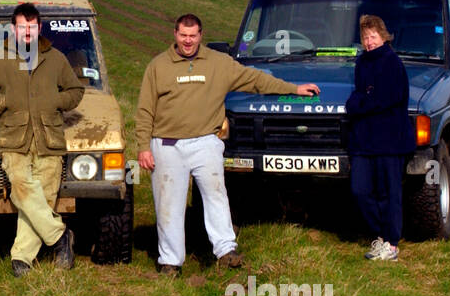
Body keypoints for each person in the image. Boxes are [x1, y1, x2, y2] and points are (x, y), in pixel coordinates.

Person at [136, 14, 320, 277]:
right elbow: (144, 110)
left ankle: (226, 251)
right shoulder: (158, 67)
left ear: (201, 35)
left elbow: (255, 80)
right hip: (167, 145)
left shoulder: (219, 63)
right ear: (175, 34)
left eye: (193, 36)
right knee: (168, 204)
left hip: (205, 143)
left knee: (216, 196)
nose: (188, 41)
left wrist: (294, 88)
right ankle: (170, 262)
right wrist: (144, 147)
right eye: (183, 35)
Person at [0, 2, 85, 277]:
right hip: (14, 138)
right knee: (22, 191)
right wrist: (6, 101)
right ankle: (61, 238)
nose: (26, 32)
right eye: (22, 27)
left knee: (43, 201)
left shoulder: (56, 59)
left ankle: (21, 259)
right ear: (14, 28)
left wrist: (55, 101)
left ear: (39, 29)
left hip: (49, 138)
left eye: (31, 27)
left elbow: (76, 91)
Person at [346, 15, 416, 261]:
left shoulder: (392, 63)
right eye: (365, 37)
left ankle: (391, 243)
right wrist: (362, 101)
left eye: (373, 36)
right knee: (360, 190)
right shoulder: (362, 63)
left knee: (389, 193)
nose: (369, 42)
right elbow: (360, 96)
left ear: (383, 36)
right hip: (365, 142)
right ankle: (379, 235)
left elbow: (383, 99)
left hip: (390, 140)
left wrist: (360, 103)